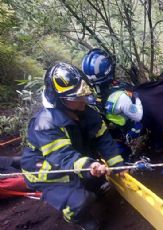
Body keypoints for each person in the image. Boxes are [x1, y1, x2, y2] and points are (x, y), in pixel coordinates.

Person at [21, 62, 126, 230]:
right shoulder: (45, 123)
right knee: (81, 201)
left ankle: (89, 189)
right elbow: (62, 157)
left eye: (83, 94)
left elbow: (103, 139)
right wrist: (89, 165)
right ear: (59, 99)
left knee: (93, 178)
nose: (82, 99)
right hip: (48, 171)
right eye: (75, 97)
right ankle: (77, 215)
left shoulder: (87, 112)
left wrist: (118, 165)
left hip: (73, 161)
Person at [82, 48, 144, 160]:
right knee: (139, 124)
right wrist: (137, 98)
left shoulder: (86, 95)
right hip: (122, 135)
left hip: (104, 136)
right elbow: (138, 115)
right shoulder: (119, 97)